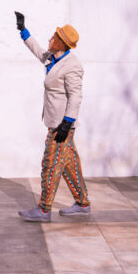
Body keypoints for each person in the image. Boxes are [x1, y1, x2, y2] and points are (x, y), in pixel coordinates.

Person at [14, 12, 90, 222]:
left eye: (53, 37)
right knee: (69, 164)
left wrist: (68, 121)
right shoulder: (53, 57)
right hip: (55, 122)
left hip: (61, 126)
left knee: (50, 164)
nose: (49, 39)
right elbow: (38, 51)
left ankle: (44, 209)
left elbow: (76, 95)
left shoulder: (72, 65)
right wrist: (23, 30)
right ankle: (82, 203)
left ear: (61, 43)